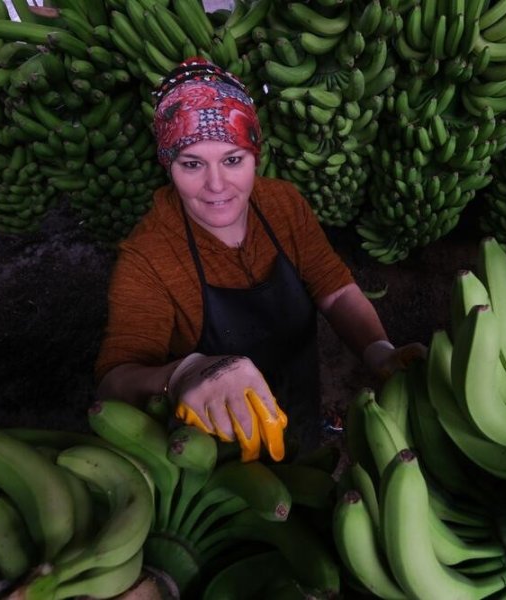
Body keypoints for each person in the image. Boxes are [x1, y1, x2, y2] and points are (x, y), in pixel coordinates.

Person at [94, 57, 425, 462]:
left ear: (255, 156)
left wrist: (378, 350)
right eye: (192, 164)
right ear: (169, 165)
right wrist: (180, 375)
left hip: (298, 400)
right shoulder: (149, 256)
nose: (217, 185)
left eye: (233, 160)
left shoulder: (282, 204)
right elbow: (113, 383)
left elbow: (334, 291)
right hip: (212, 447)